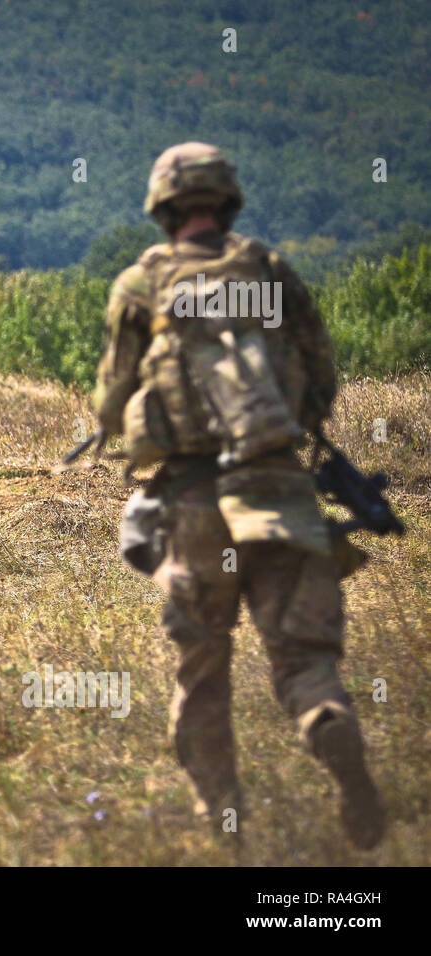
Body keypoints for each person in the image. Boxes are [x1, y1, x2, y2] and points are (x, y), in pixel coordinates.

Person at [92, 142, 384, 848]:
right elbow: (319, 381)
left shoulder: (142, 284)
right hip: (281, 490)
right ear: (227, 200)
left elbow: (110, 400)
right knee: (304, 657)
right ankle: (325, 721)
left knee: (201, 669)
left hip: (194, 506)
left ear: (163, 205)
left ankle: (227, 831)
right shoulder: (270, 270)